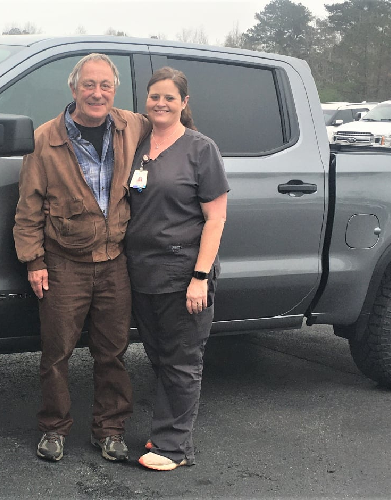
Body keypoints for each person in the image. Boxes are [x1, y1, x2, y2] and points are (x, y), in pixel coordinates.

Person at [13, 53, 150, 463]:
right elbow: (28, 208)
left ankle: (109, 430)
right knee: (56, 354)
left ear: (115, 90)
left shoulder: (132, 125)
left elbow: (175, 129)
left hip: (114, 262)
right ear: (73, 89)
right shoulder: (45, 139)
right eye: (88, 85)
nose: (97, 93)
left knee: (114, 353)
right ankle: (54, 428)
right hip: (63, 264)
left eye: (105, 85)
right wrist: (34, 261)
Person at [125, 67, 229, 471]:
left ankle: (174, 447)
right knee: (160, 357)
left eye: (169, 97)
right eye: (154, 96)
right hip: (143, 273)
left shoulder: (201, 149)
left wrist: (200, 277)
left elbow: (216, 219)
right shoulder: (139, 145)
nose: (160, 104)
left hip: (184, 273)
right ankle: (166, 431)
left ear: (184, 103)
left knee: (183, 359)